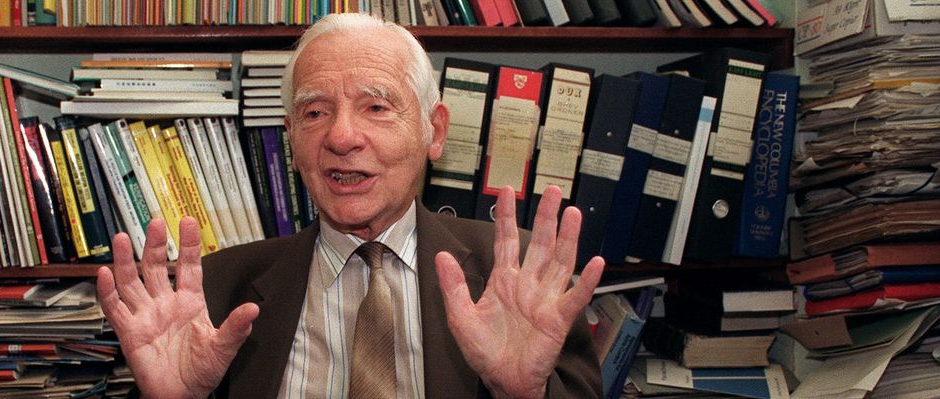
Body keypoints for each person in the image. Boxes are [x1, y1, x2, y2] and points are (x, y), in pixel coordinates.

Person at [97, 13, 606, 399]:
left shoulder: (517, 282)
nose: (341, 137)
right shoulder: (216, 289)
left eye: (377, 107)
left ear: (436, 130)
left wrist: (526, 395)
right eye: (315, 112)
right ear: (292, 139)